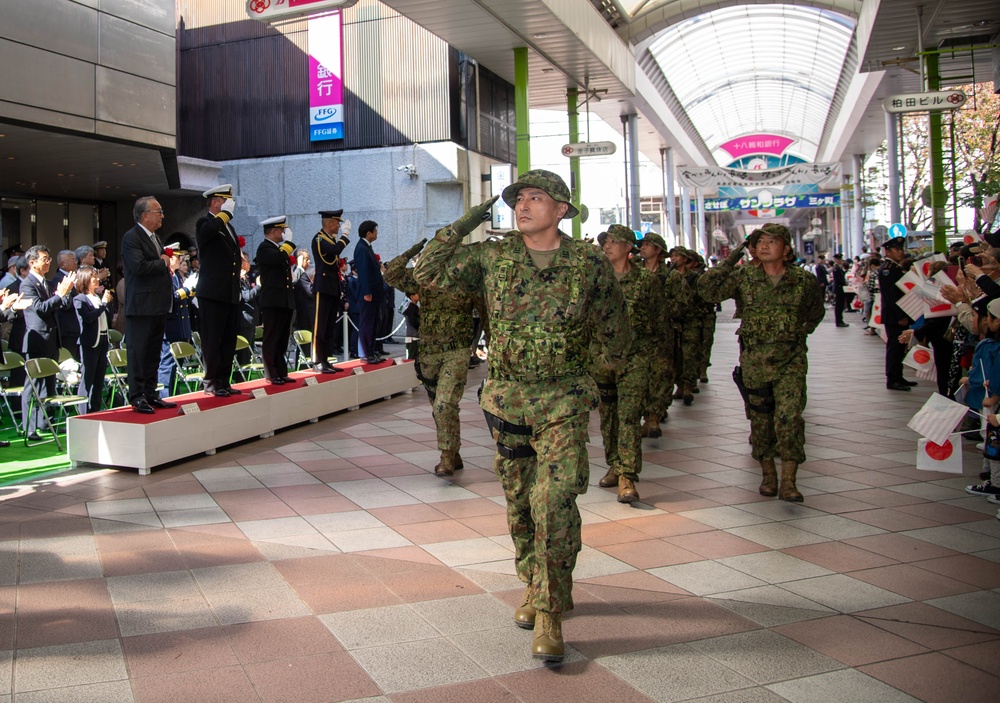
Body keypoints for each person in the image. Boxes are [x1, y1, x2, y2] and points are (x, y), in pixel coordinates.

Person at [413, 169, 630, 661]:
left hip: (563, 401)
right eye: (518, 199)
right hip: (509, 400)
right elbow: (425, 273)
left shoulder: (588, 263)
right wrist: (468, 220)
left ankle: (551, 611)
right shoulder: (493, 255)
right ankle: (534, 583)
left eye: (536, 198)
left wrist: (591, 376)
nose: (523, 205)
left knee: (553, 498)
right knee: (519, 502)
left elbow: (616, 328)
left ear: (561, 209)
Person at [699, 223, 825, 502]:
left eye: (772, 240)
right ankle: (768, 475)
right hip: (754, 361)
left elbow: (815, 313)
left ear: (787, 248)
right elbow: (708, 289)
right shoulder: (744, 277)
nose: (765, 245)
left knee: (789, 419)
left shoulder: (802, 281)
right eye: (760, 241)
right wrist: (735, 255)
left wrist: (794, 332)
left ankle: (789, 481)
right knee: (761, 422)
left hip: (790, 361)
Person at [383, 236, 476, 476]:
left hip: (457, 350)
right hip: (430, 353)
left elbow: (486, 312)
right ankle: (454, 454)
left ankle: (446, 457)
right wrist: (413, 250)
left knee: (445, 405)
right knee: (439, 408)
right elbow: (390, 274)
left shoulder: (468, 279)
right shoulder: (424, 277)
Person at [593, 225, 664, 503]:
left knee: (629, 417)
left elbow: (660, 322)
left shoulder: (646, 281)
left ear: (628, 248)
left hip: (636, 357)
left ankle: (628, 477)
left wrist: (656, 360)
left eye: (614, 241)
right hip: (601, 359)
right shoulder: (595, 280)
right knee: (608, 417)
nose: (607, 246)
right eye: (605, 241)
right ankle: (614, 463)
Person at [121, 196, 177, 414]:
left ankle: (151, 393)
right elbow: (139, 267)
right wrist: (163, 262)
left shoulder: (155, 237)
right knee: (139, 352)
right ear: (145, 215)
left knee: (154, 351)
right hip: (142, 306)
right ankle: (137, 396)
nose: (162, 215)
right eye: (158, 211)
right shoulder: (131, 237)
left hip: (158, 304)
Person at [20, 245, 77, 438]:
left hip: (52, 338)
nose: (48, 262)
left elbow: (61, 305)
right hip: (37, 339)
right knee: (33, 384)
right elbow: (41, 308)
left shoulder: (46, 282)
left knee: (49, 383)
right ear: (32, 262)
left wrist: (65, 293)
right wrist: (59, 295)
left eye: (49, 258)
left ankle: (45, 421)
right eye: (44, 258)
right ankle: (29, 427)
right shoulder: (27, 284)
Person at [196, 184, 244, 396]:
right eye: (225, 201)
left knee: (227, 339)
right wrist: (224, 215)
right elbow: (207, 233)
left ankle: (224, 380)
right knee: (213, 339)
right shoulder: (205, 222)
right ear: (216, 201)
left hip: (229, 291)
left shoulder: (228, 227)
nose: (229, 205)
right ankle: (211, 382)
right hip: (212, 292)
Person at [638, 232, 681, 436]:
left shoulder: (671, 276)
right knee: (639, 376)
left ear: (658, 250)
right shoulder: (634, 272)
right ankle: (642, 414)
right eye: (642, 244)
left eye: (648, 245)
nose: (643, 247)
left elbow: (683, 304)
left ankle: (654, 416)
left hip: (662, 334)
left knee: (661, 374)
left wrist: (661, 309)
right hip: (637, 335)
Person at [255, 216, 298, 384]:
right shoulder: (264, 248)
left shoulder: (279, 249)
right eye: (281, 230)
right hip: (272, 300)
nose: (284, 233)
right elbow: (276, 259)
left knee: (282, 338)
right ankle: (271, 373)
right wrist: (288, 245)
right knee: (272, 338)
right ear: (273, 231)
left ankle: (281, 371)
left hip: (283, 299)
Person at [311, 209, 350, 372]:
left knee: (329, 326)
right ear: (329, 223)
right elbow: (335, 251)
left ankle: (326, 358)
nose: (339, 226)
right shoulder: (319, 239)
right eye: (337, 222)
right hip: (323, 286)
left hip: (332, 287)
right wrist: (345, 235)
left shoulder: (330, 239)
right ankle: (317, 360)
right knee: (320, 326)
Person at [158, 243, 198, 397]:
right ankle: (165, 395)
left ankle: (174, 392)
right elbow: (168, 299)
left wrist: (189, 292)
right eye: (178, 257)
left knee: (177, 364)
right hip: (170, 326)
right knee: (167, 364)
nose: (181, 260)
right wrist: (185, 291)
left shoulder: (175, 276)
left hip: (180, 326)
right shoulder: (165, 275)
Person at [73, 265, 113, 412]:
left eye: (96, 276)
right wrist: (103, 305)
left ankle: (95, 408)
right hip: (90, 342)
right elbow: (88, 318)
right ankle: (83, 410)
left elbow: (106, 317)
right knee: (88, 377)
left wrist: (107, 304)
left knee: (99, 377)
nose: (96, 279)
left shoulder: (96, 297)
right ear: (85, 280)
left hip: (102, 339)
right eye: (93, 277)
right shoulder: (80, 299)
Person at [879, 236, 915, 391]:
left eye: (901, 249)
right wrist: (901, 316)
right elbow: (891, 296)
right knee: (894, 347)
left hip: (899, 314)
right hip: (894, 316)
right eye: (896, 249)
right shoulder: (887, 269)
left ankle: (898, 376)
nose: (900, 252)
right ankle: (892, 378)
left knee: (900, 347)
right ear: (888, 251)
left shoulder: (895, 267)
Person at [354, 220, 384, 364]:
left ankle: (371, 351)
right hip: (368, 294)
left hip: (375, 293)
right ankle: (366, 353)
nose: (377, 233)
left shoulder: (367, 247)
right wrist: (367, 292)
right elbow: (363, 271)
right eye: (375, 230)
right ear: (368, 233)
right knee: (367, 323)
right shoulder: (362, 248)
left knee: (373, 323)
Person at [52, 249, 82, 360]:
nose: (75, 262)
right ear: (62, 264)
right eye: (72, 260)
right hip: (68, 326)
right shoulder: (58, 279)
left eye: (75, 260)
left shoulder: (75, 277)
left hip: (78, 326)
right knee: (71, 360)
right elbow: (64, 304)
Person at [832, 253, 849, 327]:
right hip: (839, 288)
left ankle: (840, 320)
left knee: (841, 305)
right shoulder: (836, 269)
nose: (839, 261)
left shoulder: (839, 268)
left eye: (840, 259)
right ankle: (839, 321)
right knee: (839, 306)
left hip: (841, 288)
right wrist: (844, 282)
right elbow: (838, 280)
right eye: (838, 259)